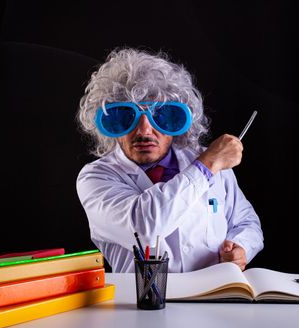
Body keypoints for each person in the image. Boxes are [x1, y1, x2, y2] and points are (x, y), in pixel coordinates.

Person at [76, 48, 263, 273]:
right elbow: (145, 229)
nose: (145, 130)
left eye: (161, 116)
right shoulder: (95, 178)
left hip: (214, 297)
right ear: (110, 125)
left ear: (178, 121)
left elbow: (246, 222)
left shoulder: (213, 163)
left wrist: (241, 247)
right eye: (127, 116)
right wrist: (207, 166)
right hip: (140, 305)